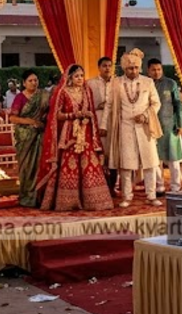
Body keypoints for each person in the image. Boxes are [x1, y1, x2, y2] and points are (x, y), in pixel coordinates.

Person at [36, 65, 113, 212]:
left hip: (86, 134)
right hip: (69, 135)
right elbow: (56, 116)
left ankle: (93, 201)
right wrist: (73, 115)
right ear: (69, 77)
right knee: (69, 165)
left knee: (89, 164)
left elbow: (90, 111)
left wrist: (89, 115)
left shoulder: (87, 91)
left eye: (82, 76)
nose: (80, 79)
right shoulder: (62, 92)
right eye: (77, 76)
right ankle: (68, 201)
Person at [100, 49, 163, 208]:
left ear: (140, 68)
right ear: (124, 69)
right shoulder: (116, 83)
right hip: (125, 127)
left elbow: (156, 103)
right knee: (126, 165)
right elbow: (108, 105)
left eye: (135, 68)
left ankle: (151, 195)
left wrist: (146, 116)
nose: (133, 71)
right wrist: (103, 125)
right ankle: (126, 196)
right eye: (129, 68)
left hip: (144, 127)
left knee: (149, 163)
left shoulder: (148, 82)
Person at [8, 70, 51, 207]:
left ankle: (40, 197)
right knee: (26, 167)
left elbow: (49, 112)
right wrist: (31, 122)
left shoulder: (43, 95)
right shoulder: (20, 98)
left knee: (41, 165)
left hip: (41, 135)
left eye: (36, 80)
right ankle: (27, 197)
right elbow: (13, 118)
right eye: (30, 81)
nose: (34, 83)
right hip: (25, 137)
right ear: (24, 83)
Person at [146, 59, 182, 194]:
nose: (156, 72)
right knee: (155, 159)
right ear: (148, 71)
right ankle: (160, 186)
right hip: (152, 127)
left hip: (170, 127)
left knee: (173, 158)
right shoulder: (146, 84)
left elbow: (178, 104)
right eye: (153, 70)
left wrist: (180, 124)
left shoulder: (170, 83)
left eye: (159, 69)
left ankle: (175, 187)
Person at [88, 57, 117, 194]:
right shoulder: (90, 84)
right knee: (101, 154)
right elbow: (85, 104)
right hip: (98, 120)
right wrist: (97, 106)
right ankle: (100, 186)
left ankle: (112, 187)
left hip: (115, 121)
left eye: (110, 66)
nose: (107, 68)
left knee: (114, 154)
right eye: (104, 65)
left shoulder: (117, 83)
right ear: (99, 68)